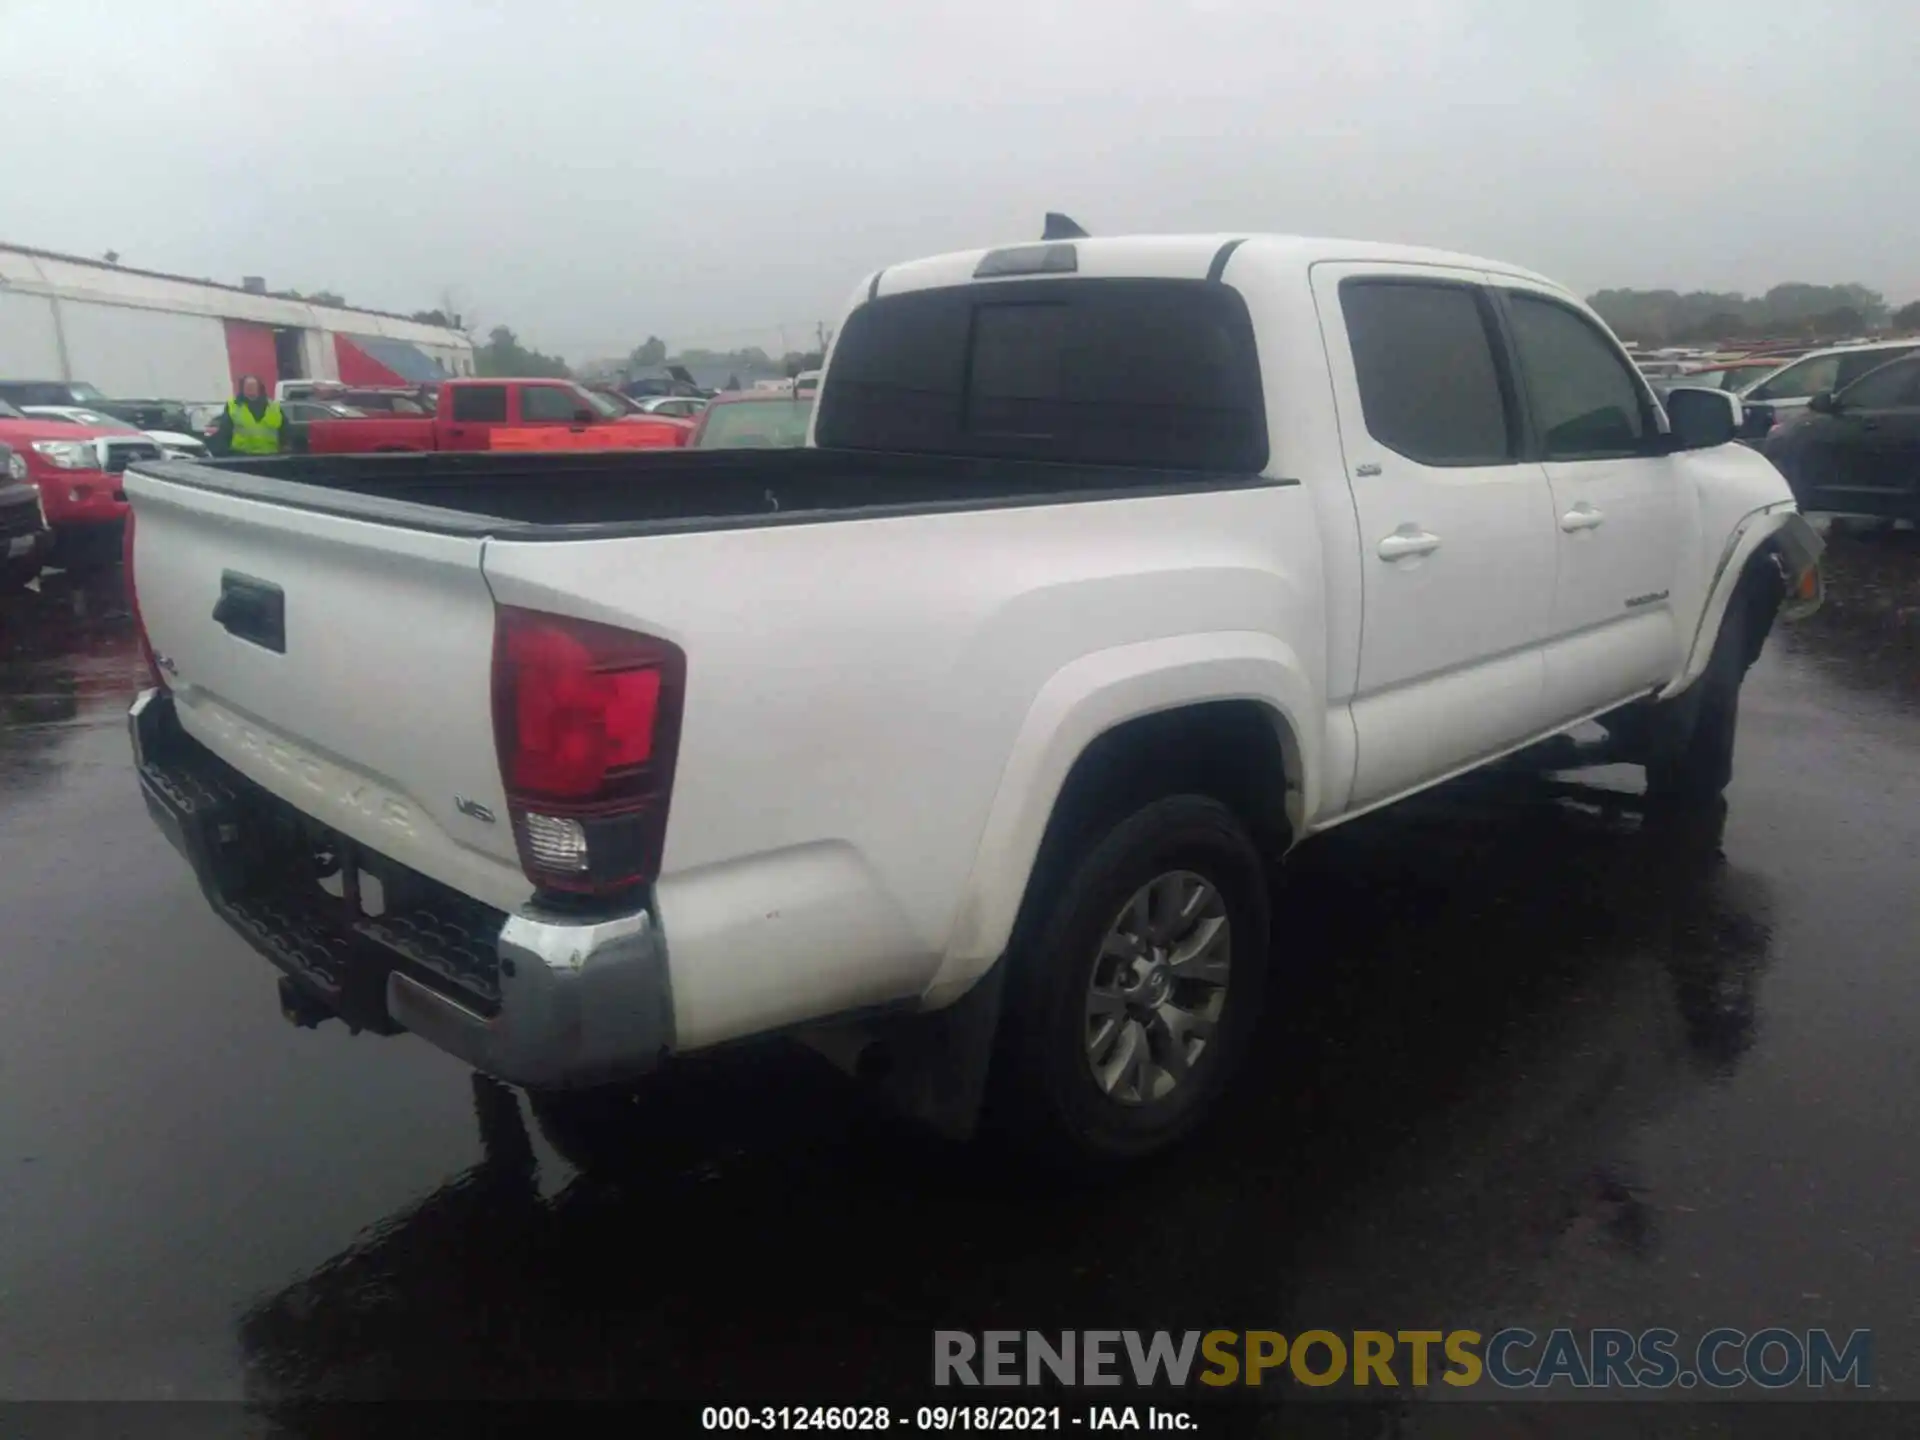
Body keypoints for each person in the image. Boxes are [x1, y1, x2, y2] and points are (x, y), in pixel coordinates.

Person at [210, 375, 285, 457]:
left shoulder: (274, 407)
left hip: (270, 458)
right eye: (248, 386)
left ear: (259, 388)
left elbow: (285, 431)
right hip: (242, 458)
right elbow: (224, 433)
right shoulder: (233, 406)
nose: (250, 388)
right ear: (242, 388)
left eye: (253, 386)